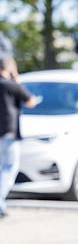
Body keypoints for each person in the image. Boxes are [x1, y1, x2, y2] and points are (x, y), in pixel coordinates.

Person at [0, 57, 37, 217]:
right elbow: (30, 101)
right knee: (9, 167)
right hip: (8, 132)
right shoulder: (10, 85)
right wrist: (17, 79)